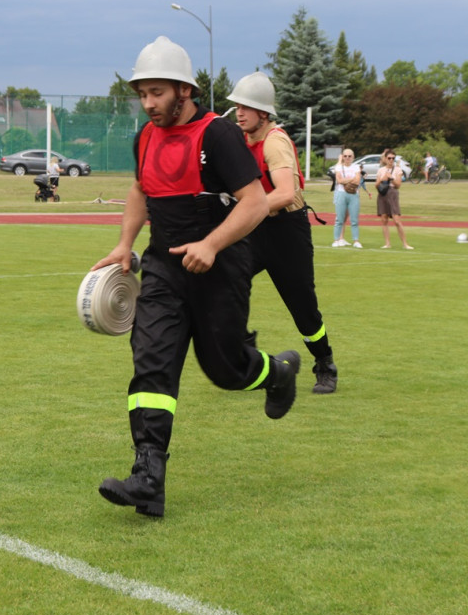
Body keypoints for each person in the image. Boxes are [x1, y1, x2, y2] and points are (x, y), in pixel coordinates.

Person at [95, 36, 299, 518]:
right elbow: (141, 190)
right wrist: (124, 244)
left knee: (225, 369)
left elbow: (255, 202)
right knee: (152, 363)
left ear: (184, 90)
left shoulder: (219, 135)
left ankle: (277, 373)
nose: (149, 104)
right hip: (164, 268)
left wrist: (211, 245)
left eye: (157, 93)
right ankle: (148, 477)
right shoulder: (146, 137)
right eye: (142, 94)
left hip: (221, 266)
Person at [228, 71, 338, 394]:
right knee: (226, 285)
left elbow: (286, 194)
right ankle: (246, 360)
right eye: (237, 106)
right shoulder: (239, 139)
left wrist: (247, 209)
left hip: (287, 232)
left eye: (246, 107)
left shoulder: (275, 141)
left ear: (263, 112)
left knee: (303, 308)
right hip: (256, 227)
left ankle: (325, 364)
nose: (239, 113)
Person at [374, 149, 413, 249]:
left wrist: (391, 178)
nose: (391, 160)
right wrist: (382, 179)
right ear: (385, 159)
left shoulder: (398, 170)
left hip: (392, 193)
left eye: (393, 158)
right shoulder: (381, 170)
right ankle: (387, 243)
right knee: (384, 219)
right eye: (389, 158)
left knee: (396, 220)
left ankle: (405, 244)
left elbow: (398, 185)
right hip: (382, 194)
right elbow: (376, 185)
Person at [330, 148, 362, 248]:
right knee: (339, 219)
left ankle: (356, 240)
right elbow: (339, 180)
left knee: (354, 219)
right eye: (345, 156)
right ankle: (336, 239)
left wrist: (346, 180)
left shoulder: (356, 167)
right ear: (342, 157)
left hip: (353, 194)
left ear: (353, 157)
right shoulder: (339, 167)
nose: (347, 158)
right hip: (341, 193)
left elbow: (357, 181)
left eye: (349, 156)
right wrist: (351, 179)